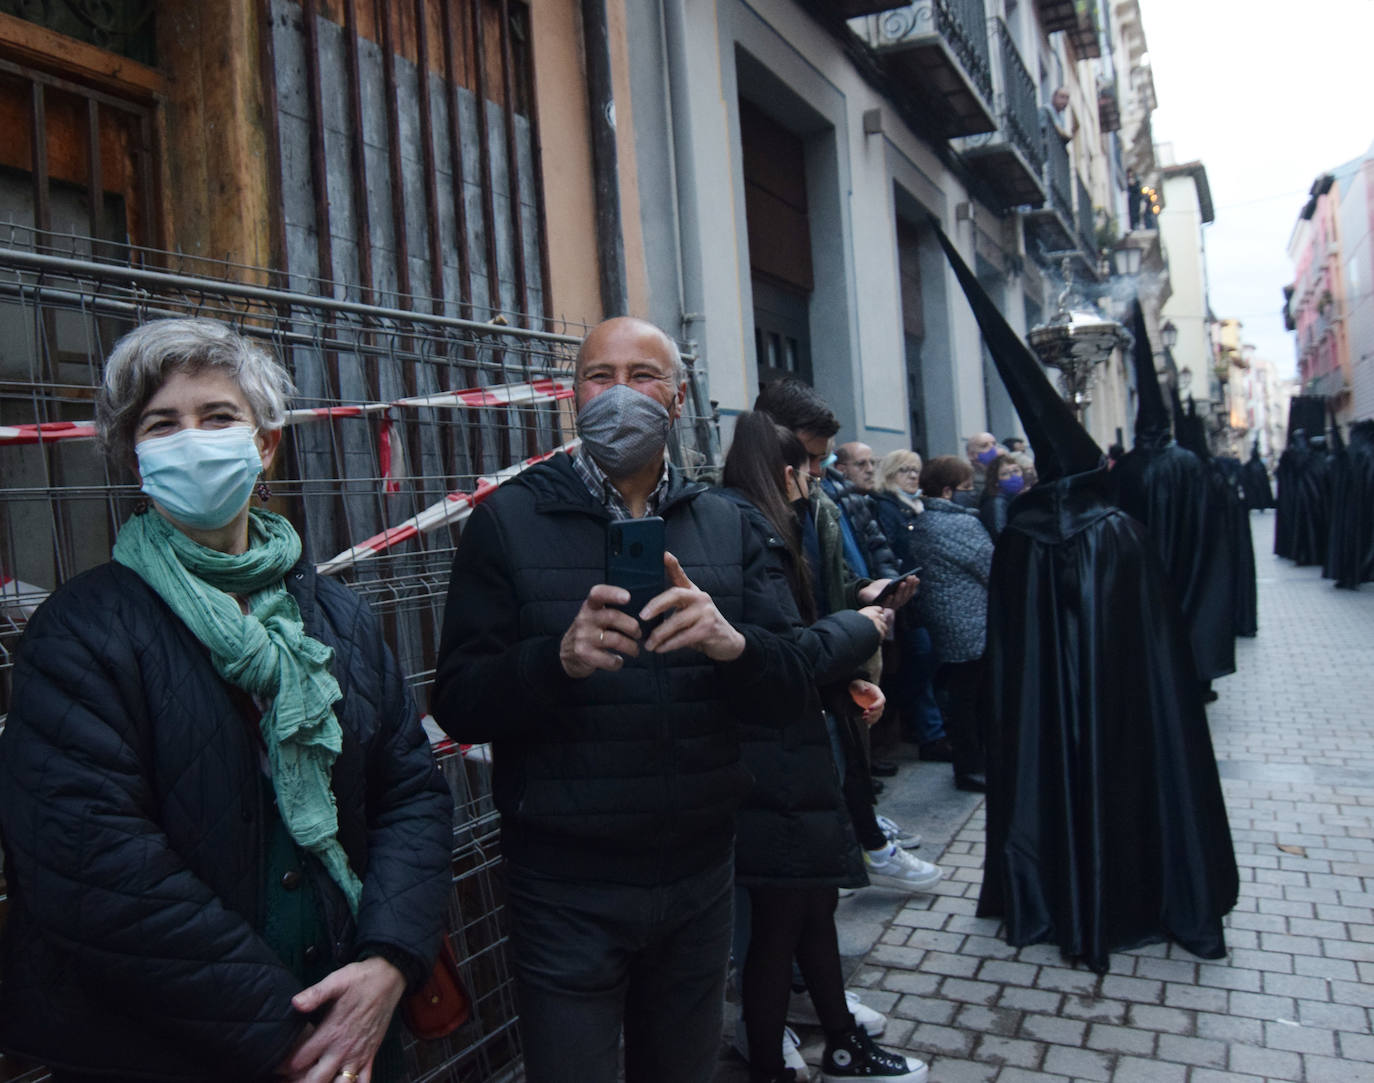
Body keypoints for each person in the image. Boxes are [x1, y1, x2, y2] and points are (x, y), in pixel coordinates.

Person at [0, 318, 455, 1081]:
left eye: (217, 417)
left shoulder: (334, 617)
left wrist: (387, 962)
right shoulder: (80, 632)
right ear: (137, 458)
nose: (192, 439)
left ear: (265, 443)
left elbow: (411, 791)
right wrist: (288, 1035)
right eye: (162, 423)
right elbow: (94, 869)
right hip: (165, 1051)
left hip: (357, 1029)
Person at [431, 317, 811, 1083]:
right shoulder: (506, 521)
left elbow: (791, 685)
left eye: (643, 377)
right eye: (599, 376)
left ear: (677, 398)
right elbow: (460, 700)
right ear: (573, 396)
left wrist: (732, 644)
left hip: (700, 876)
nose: (619, 394)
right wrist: (555, 660)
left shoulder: (727, 522)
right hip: (564, 884)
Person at [933, 225, 1237, 975]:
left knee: (1049, 770)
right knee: (1128, 773)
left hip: (1041, 722)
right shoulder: (1120, 531)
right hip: (1125, 718)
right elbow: (1156, 658)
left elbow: (1015, 657)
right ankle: (1132, 891)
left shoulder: (1022, 537)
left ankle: (1049, 893)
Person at [721, 412, 929, 1083]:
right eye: (810, 469)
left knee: (807, 908)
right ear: (786, 471)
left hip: (785, 749)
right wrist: (860, 627)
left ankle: (838, 1039)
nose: (815, 484)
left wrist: (842, 687)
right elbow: (783, 654)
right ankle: (779, 1055)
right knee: (781, 926)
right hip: (768, 757)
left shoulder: (747, 525)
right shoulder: (751, 530)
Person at [753, 378, 927, 872]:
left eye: (823, 460)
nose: (816, 471)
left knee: (845, 764)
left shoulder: (816, 499)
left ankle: (863, 838)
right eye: (810, 458)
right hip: (802, 676)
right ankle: (863, 844)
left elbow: (831, 574)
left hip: (832, 660)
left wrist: (865, 590)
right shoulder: (752, 512)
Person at [910, 456, 993, 793]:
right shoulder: (958, 524)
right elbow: (993, 567)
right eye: (967, 488)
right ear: (946, 491)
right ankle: (971, 768)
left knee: (964, 699)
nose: (972, 493)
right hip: (968, 623)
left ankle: (972, 764)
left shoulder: (927, 520)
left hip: (953, 622)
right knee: (969, 701)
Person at [870, 450, 951, 761]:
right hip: (902, 599)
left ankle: (928, 729)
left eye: (916, 470)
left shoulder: (915, 506)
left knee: (924, 659)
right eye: (904, 470)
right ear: (890, 473)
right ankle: (924, 729)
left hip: (917, 596)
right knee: (920, 657)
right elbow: (888, 551)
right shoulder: (888, 506)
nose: (912, 475)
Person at [979, 453, 1026, 540]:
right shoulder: (997, 503)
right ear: (996, 482)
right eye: (1005, 474)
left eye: (1016, 471)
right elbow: (1000, 534)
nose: (1013, 476)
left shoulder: (1013, 497)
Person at [964, 431, 1000, 496]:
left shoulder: (1004, 473)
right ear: (971, 455)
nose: (992, 448)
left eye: (994, 444)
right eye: (984, 446)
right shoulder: (966, 479)